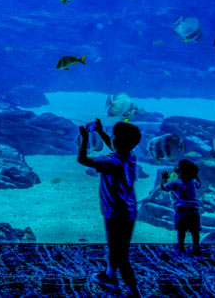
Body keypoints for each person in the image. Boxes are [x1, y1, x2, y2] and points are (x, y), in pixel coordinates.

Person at [78, 119, 141, 298]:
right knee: (117, 248)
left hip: (115, 213)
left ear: (118, 140)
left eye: (113, 136)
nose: (111, 138)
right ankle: (109, 277)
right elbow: (114, 145)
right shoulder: (130, 155)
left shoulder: (111, 162)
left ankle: (134, 291)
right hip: (128, 210)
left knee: (121, 257)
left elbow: (82, 159)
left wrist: (84, 138)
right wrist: (100, 132)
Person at [160, 159, 202, 254]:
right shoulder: (193, 180)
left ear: (180, 170)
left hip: (181, 209)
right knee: (195, 230)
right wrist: (195, 175)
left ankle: (181, 247)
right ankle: (196, 247)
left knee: (181, 229)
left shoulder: (175, 182)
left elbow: (164, 188)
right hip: (194, 208)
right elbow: (199, 185)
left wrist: (164, 178)